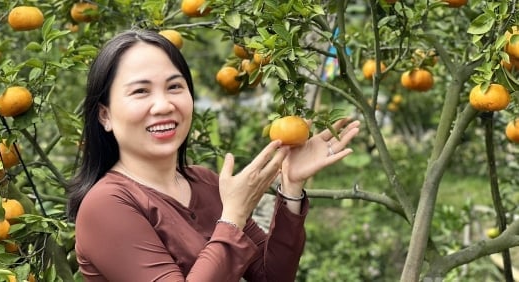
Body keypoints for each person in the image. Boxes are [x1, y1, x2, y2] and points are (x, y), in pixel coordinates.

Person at [67, 29, 361, 282]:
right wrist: (232, 216)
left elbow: (272, 277)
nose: (164, 105)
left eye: (174, 87)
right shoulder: (105, 205)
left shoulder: (205, 182)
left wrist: (292, 188)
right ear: (104, 115)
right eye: (141, 91)